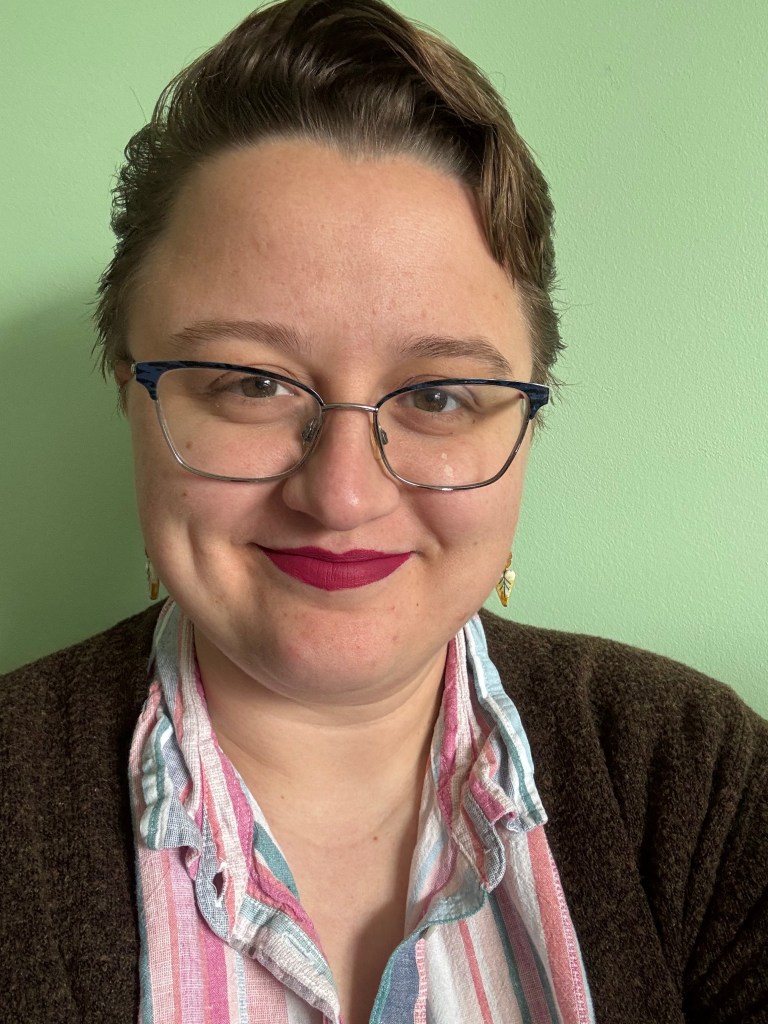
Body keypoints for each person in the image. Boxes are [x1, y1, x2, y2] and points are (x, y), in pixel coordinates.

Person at [1, 1, 766, 1021]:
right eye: (251, 383)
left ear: (529, 417)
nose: (343, 494)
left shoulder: (701, 784)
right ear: (129, 393)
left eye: (439, 395)